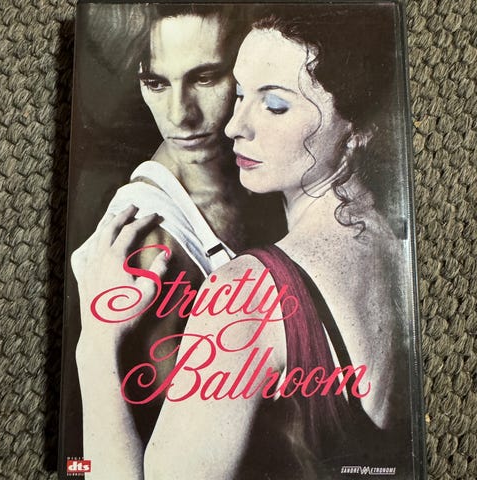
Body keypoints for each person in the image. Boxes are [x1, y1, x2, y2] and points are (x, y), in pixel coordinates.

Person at [77, 4, 412, 479]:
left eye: (274, 106)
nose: (235, 126)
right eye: (238, 94)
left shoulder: (244, 298)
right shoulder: (397, 240)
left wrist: (94, 346)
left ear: (358, 130)